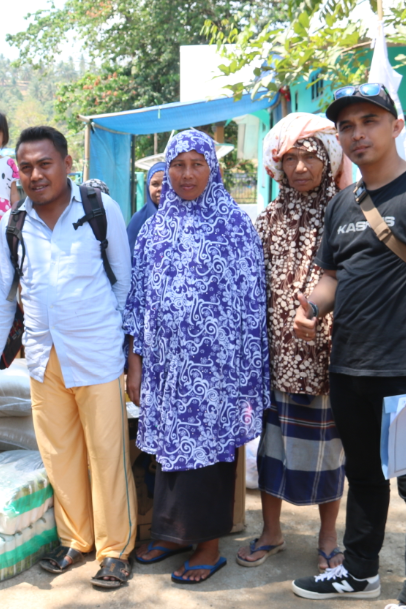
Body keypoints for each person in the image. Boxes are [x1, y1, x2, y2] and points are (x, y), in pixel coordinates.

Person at [290, 84, 406, 609]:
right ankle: (360, 571)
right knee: (362, 476)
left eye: (369, 120)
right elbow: (333, 277)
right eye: (346, 126)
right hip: (350, 366)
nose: (357, 133)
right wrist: (312, 307)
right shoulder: (345, 201)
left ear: (396, 125)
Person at [0, 126, 137, 588]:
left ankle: (114, 549)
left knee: (107, 455)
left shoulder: (98, 208)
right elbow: (0, 299)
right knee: (59, 454)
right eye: (25, 167)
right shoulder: (15, 225)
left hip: (96, 355)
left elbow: (124, 285)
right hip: (44, 357)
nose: (35, 175)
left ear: (67, 164)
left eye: (45, 164)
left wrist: (124, 350)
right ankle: (74, 539)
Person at [125, 129, 270, 585]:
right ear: (165, 171)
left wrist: (242, 370)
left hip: (216, 370)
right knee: (169, 453)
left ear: (214, 169)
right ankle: (173, 533)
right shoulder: (154, 227)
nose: (187, 174)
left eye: (197, 164)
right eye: (178, 165)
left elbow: (251, 301)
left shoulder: (233, 224)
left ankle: (207, 544)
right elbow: (139, 301)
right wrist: (136, 361)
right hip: (167, 368)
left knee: (208, 457)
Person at [235, 113, 349, 574]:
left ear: (328, 159)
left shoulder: (347, 212)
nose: (300, 167)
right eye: (291, 159)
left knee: (328, 451)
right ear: (278, 167)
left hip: (327, 357)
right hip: (276, 357)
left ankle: (327, 539)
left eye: (310, 157)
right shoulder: (267, 219)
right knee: (273, 450)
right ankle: (272, 531)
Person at [126, 162, 165, 252]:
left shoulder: (182, 217)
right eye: (155, 184)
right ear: (148, 187)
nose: (160, 188)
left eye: (165, 184)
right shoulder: (138, 219)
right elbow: (128, 256)